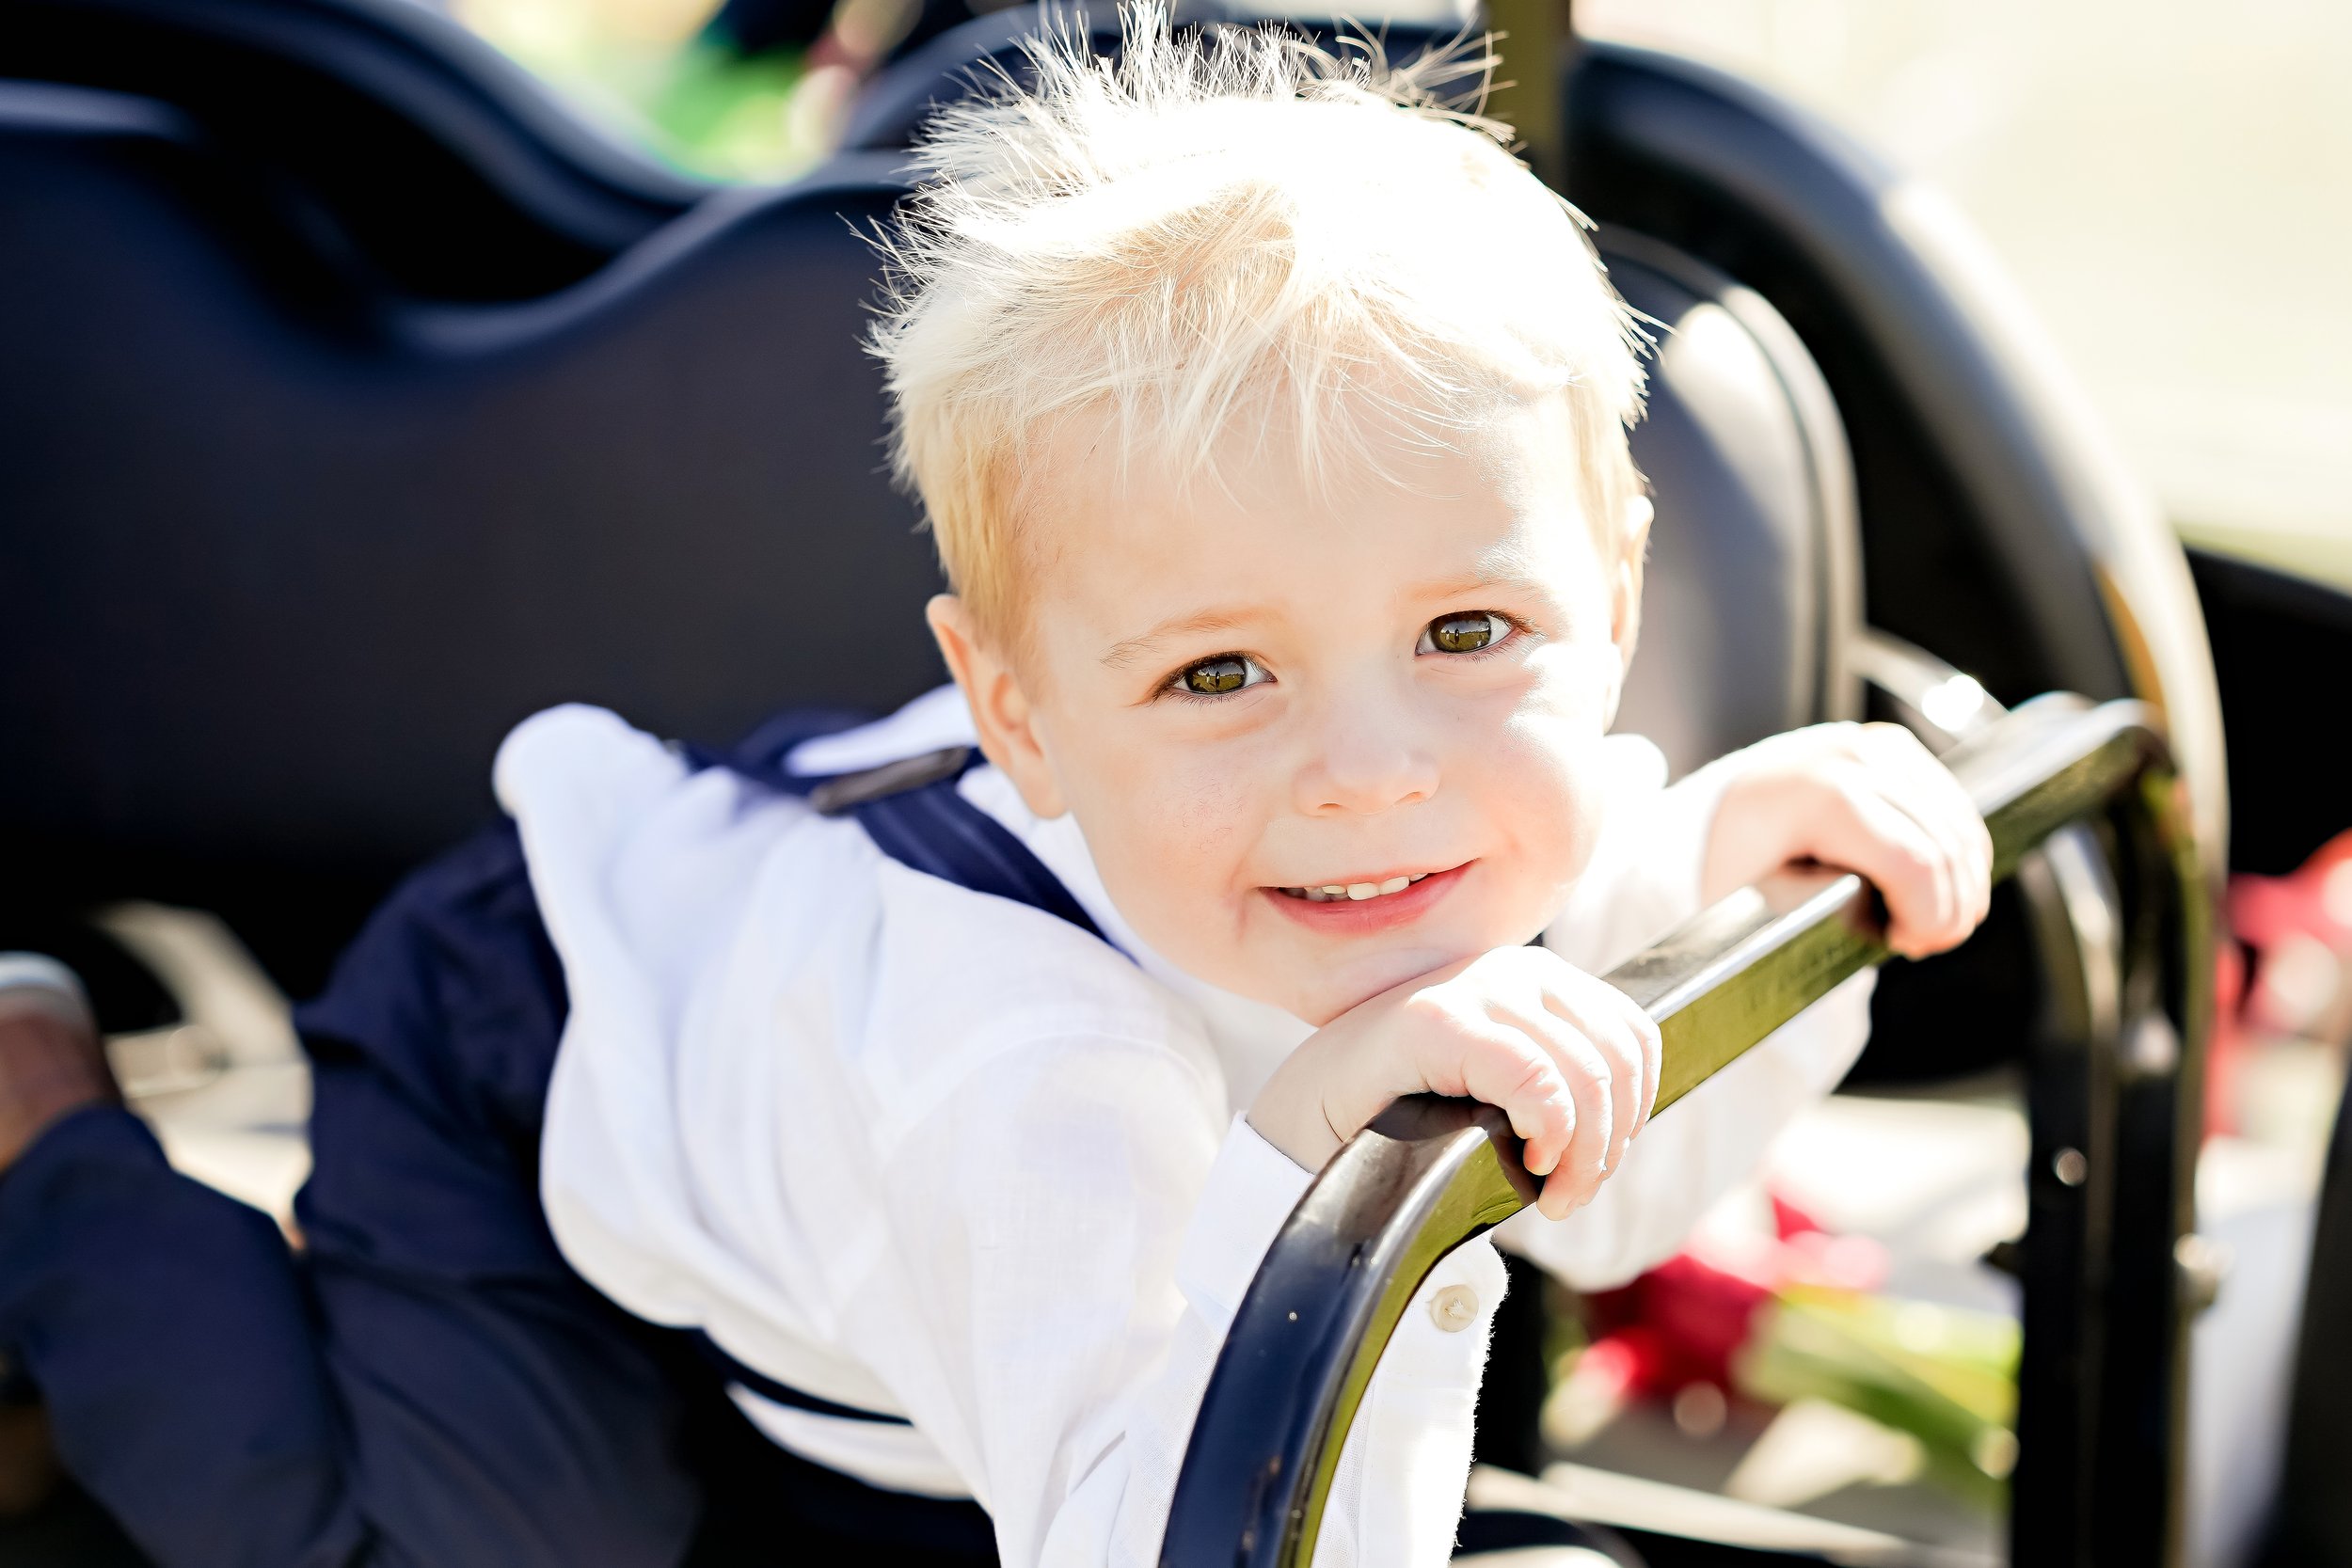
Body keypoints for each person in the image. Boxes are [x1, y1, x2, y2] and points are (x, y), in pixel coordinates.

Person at [0, 9, 1994, 1565]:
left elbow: (1590, 1205)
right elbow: (1197, 1540)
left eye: (1469, 633)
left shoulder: (1470, 824)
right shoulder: (1004, 1069)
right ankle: (51, 1144)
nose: (1371, 775)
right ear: (1016, 709)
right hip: (537, 1056)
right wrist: (1307, 1160)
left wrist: (1728, 904)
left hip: (819, 1118)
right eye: (1219, 673)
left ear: (1611, 588)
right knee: (446, 1547)